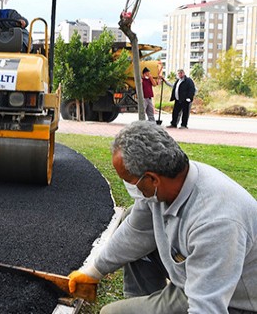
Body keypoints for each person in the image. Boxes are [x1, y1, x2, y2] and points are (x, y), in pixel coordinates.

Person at [67, 121, 257, 314]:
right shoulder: (168, 186)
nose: (132, 187)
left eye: (130, 181)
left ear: (152, 179)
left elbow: (207, 307)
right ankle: (144, 301)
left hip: (233, 301)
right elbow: (135, 232)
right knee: (131, 217)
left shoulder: (215, 222)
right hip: (193, 277)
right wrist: (93, 272)